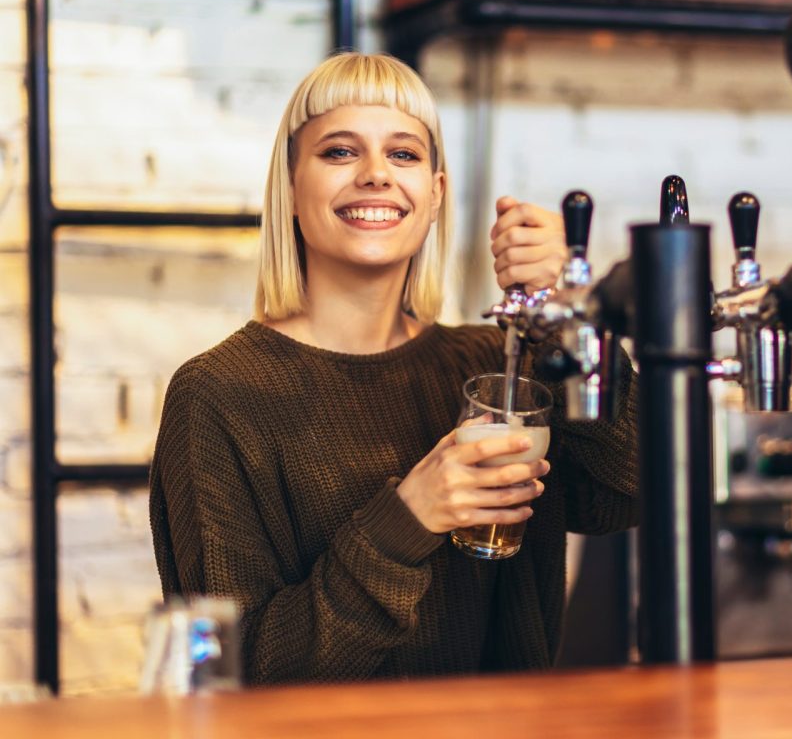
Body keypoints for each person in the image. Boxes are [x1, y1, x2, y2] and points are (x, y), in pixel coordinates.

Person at [148, 52, 639, 686]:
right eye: (340, 153)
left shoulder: (501, 363)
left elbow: (631, 494)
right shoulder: (219, 394)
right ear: (291, 189)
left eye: (404, 154)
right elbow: (237, 678)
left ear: (434, 196)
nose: (377, 175)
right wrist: (409, 518)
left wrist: (570, 320)